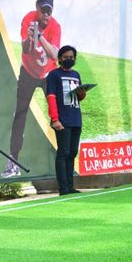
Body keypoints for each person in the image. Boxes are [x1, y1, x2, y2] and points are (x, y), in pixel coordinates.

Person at [3, 0, 62, 178]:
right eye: (43, 10)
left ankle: (63, 156)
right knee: (20, 113)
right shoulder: (28, 19)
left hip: (47, 74)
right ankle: (13, 160)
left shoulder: (55, 26)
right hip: (28, 72)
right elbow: (26, 50)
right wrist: (30, 37)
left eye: (49, 11)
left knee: (57, 113)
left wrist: (40, 35)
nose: (46, 14)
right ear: (37, 6)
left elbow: (54, 55)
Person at [46, 46, 87, 195]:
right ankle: (63, 188)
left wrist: (82, 94)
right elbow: (51, 97)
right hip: (62, 120)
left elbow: (79, 98)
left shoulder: (76, 74)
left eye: (72, 57)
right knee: (63, 153)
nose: (69, 59)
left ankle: (70, 186)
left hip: (76, 118)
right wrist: (55, 119)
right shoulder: (53, 75)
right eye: (66, 57)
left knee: (72, 152)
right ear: (60, 58)